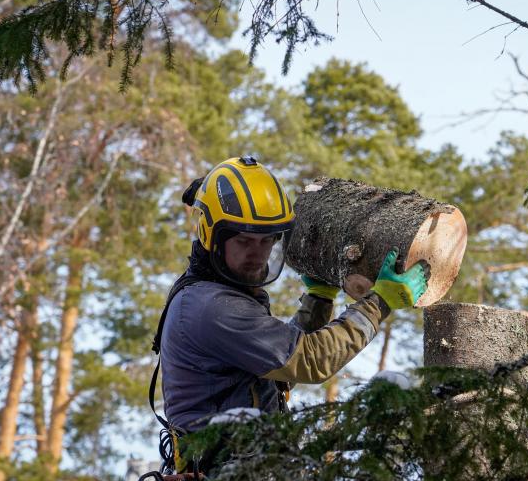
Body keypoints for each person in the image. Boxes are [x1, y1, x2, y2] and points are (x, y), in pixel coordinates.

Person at [153, 155, 430, 453]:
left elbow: (276, 373)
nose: (257, 254)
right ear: (211, 234)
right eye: (245, 241)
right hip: (224, 476)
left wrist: (318, 302)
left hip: (246, 468)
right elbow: (309, 360)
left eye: (266, 241)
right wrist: (380, 302)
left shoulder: (223, 295)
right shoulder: (211, 307)